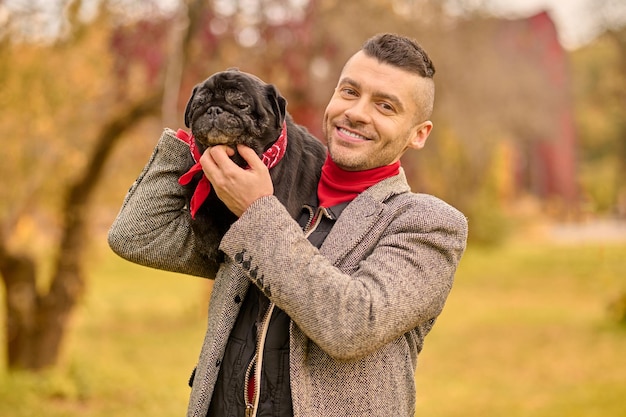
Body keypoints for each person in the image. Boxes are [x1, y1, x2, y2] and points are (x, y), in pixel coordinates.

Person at [108, 33, 468, 417]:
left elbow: (351, 324)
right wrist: (195, 145)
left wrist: (257, 209)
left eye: (385, 105)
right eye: (349, 92)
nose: (358, 113)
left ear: (419, 134)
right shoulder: (257, 189)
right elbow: (137, 235)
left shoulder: (427, 225)